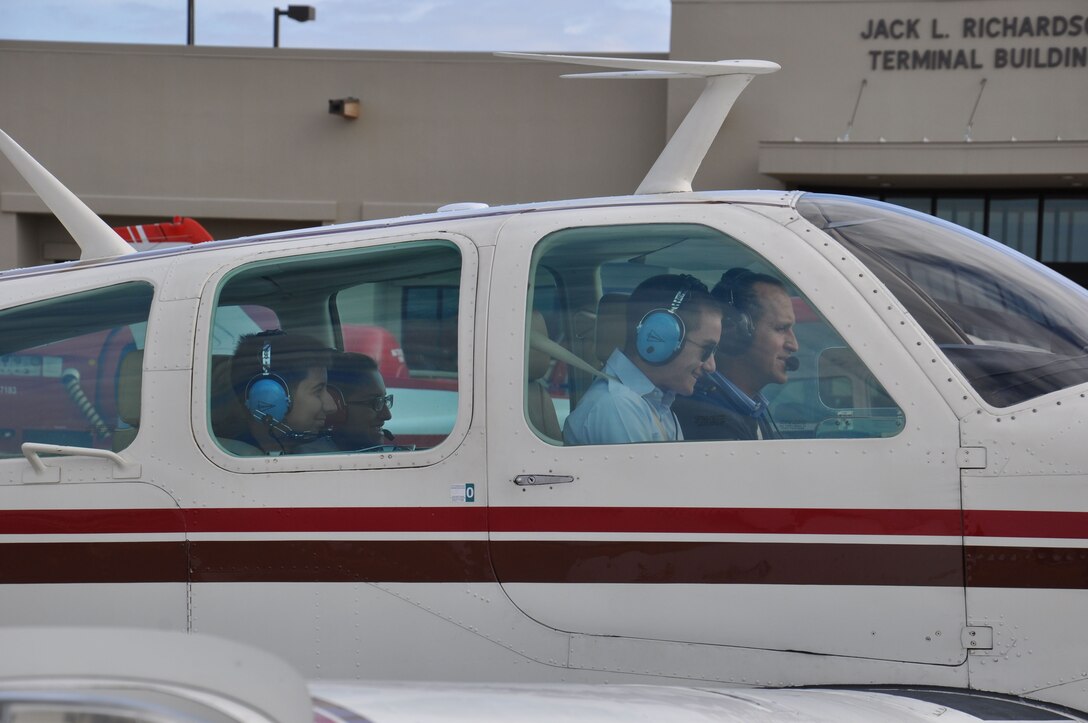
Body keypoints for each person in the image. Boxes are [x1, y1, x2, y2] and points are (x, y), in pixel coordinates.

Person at [563, 274, 721, 445]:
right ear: (662, 337)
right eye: (706, 350)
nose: (711, 366)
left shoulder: (655, 406)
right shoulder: (618, 407)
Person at [674, 268, 799, 440]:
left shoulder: (750, 408)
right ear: (736, 332)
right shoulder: (708, 420)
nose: (794, 345)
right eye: (781, 328)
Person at [222, 329, 338, 455]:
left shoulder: (319, 450)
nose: (332, 407)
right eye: (318, 391)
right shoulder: (230, 460)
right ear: (268, 398)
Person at [325, 352, 395, 451]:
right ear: (337, 406)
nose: (387, 415)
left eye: (384, 400)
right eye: (375, 402)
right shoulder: (316, 459)